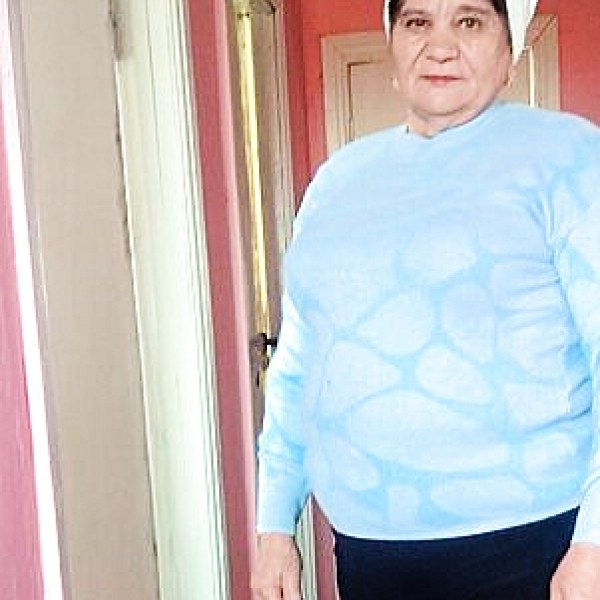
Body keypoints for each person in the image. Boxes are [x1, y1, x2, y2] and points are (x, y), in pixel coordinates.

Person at [251, 0, 600, 598]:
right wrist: (273, 526)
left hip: (535, 543)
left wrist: (594, 542)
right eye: (417, 22)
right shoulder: (336, 181)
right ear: (392, 41)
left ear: (509, 50)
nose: (440, 46)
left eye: (469, 21)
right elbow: (299, 366)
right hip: (367, 550)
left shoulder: (568, 156)